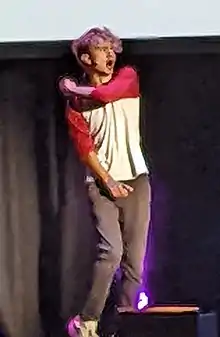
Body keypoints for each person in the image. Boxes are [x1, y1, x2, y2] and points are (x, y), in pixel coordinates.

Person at [58, 27, 151, 337]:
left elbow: (104, 94)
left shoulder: (127, 77)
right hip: (101, 184)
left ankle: (124, 327)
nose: (111, 54)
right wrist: (108, 181)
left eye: (112, 48)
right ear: (86, 58)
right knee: (111, 252)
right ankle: (86, 321)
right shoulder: (75, 107)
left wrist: (71, 87)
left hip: (136, 180)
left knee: (135, 262)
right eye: (102, 49)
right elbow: (86, 150)